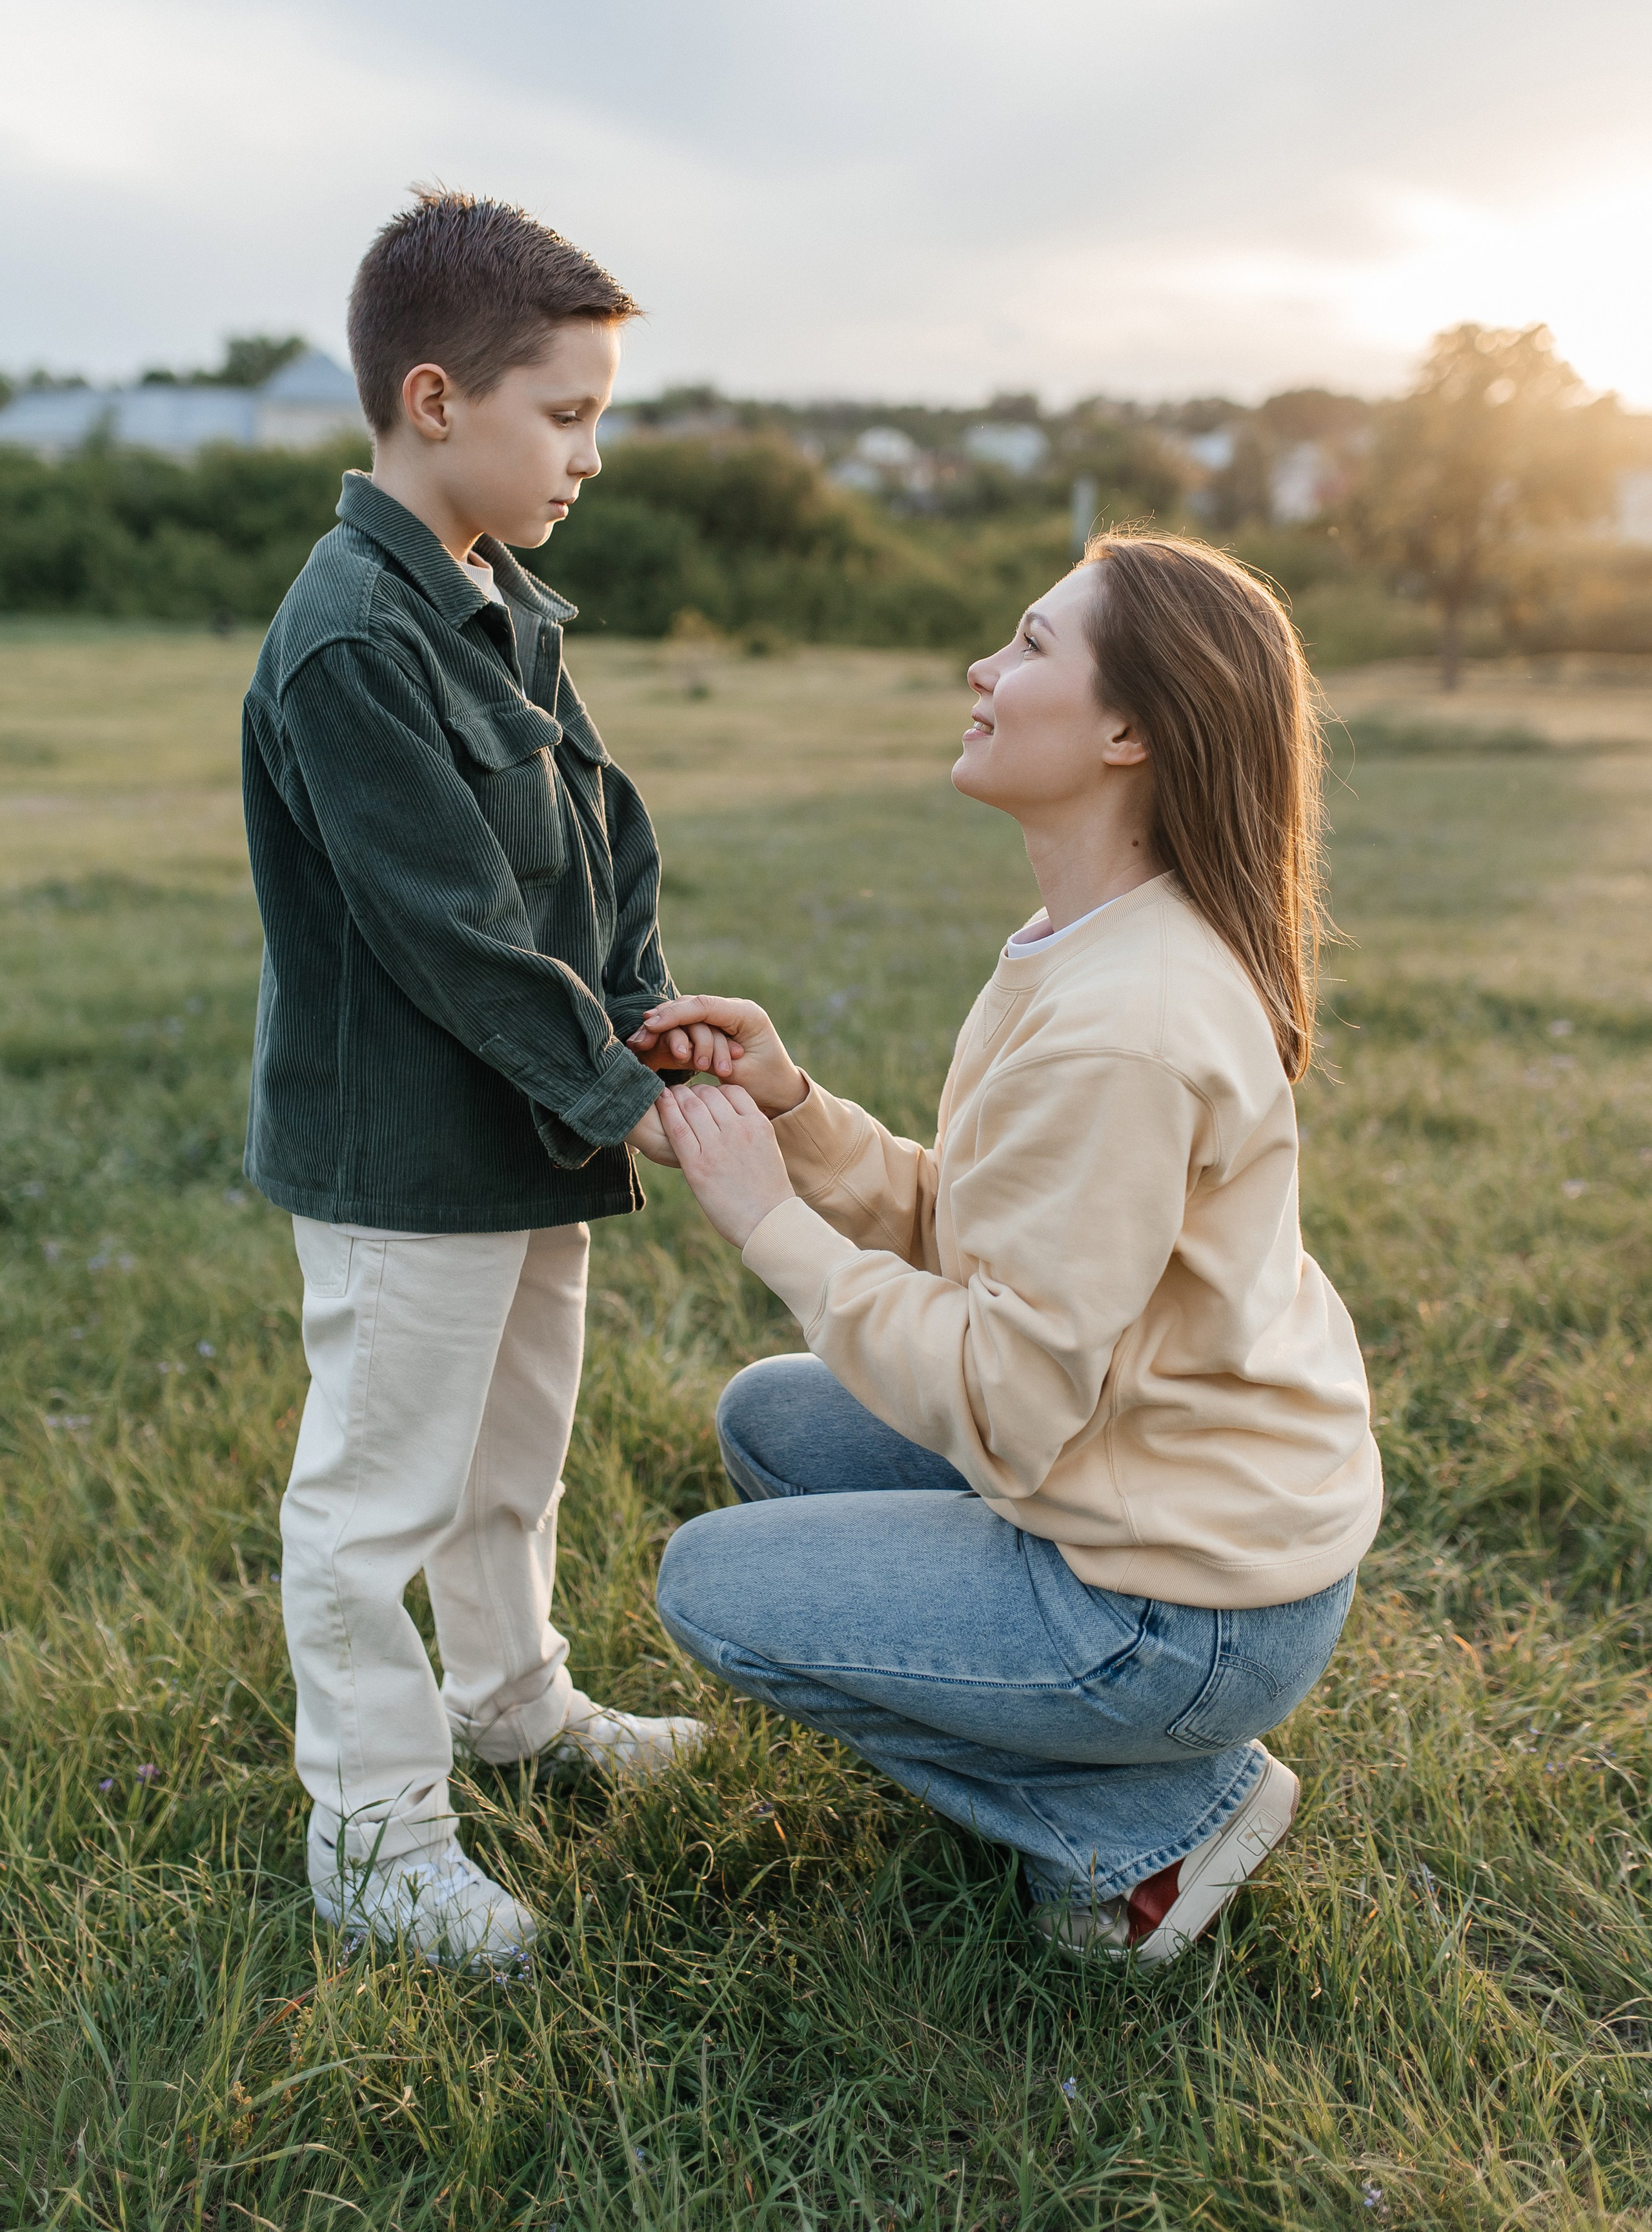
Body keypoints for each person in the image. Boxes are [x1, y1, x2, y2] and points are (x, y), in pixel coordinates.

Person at [629, 534, 1380, 1965]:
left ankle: (1153, 1822)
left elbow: (1010, 1392)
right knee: (775, 1420)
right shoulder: (1086, 941)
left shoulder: (1128, 1021)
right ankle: (1117, 1759)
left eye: (1030, 645)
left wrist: (765, 1221)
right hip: (1171, 1515)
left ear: (1128, 731)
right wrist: (792, 1116)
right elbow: (991, 1242)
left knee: (710, 1588)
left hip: (1187, 1607)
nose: (982, 668)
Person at [241, 190, 726, 1963]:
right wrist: (621, 1096)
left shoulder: (491, 591)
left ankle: (515, 1697)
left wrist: (642, 1014)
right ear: (435, 401)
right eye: (568, 412)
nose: (593, 451)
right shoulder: (354, 639)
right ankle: (373, 1839)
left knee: (513, 1452)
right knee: (377, 1499)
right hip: (410, 1157)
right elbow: (449, 930)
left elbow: (595, 832)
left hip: (525, 1135)